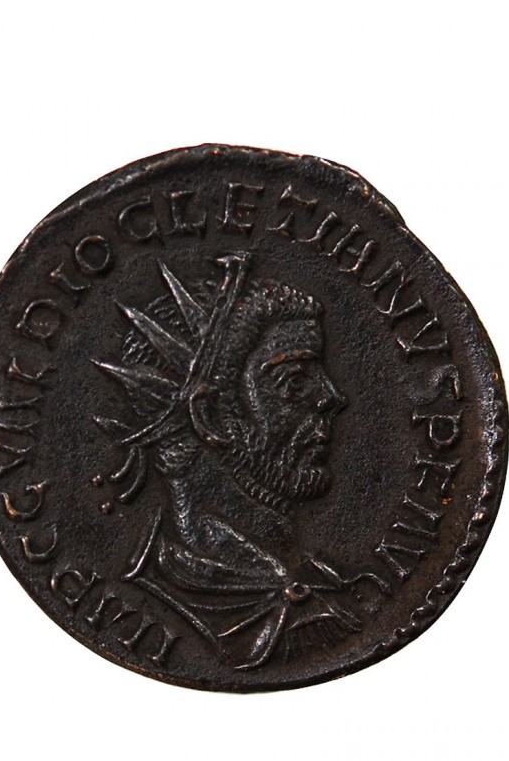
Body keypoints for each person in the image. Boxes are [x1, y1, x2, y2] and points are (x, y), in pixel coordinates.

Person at [96, 253, 369, 669]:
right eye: (295, 380)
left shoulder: (322, 586)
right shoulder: (207, 604)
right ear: (210, 417)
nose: (332, 396)